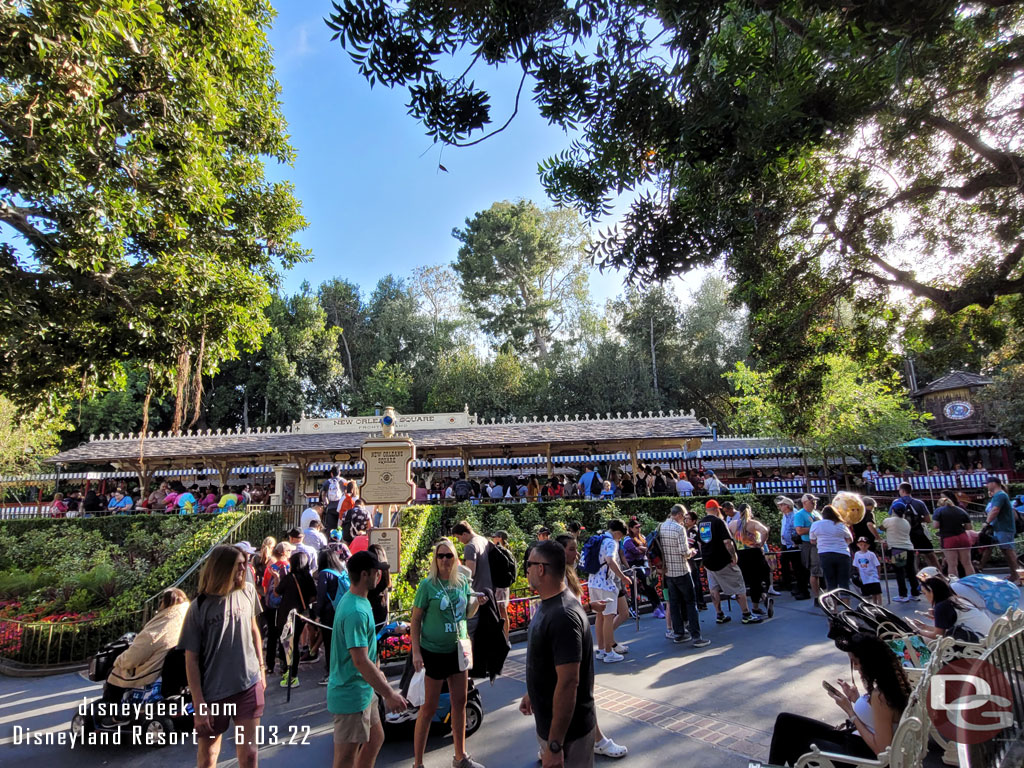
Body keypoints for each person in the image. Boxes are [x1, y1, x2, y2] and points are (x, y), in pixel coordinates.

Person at [768, 633, 911, 766]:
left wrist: (851, 712)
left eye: (855, 662)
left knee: (794, 742)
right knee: (785, 720)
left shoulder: (880, 696)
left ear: (869, 662)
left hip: (860, 754)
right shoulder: (890, 683)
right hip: (854, 739)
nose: (855, 668)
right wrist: (856, 699)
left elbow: (882, 751)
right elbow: (879, 719)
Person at [180, 545, 266, 768]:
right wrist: (199, 704)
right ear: (221, 569)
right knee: (208, 756)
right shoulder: (198, 608)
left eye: (244, 563)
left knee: (249, 755)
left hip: (248, 684)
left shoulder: (248, 591)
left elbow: (254, 630)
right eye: (238, 565)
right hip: (213, 693)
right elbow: (191, 659)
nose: (243, 568)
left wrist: (262, 668)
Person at [520, 539, 598, 768]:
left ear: (541, 568)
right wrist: (532, 692)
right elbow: (549, 663)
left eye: (529, 564)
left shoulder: (563, 615)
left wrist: (555, 745)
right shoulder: (552, 604)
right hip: (555, 729)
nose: (527, 570)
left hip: (568, 737)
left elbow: (568, 682)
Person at [328, 550, 407, 768]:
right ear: (365, 575)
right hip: (351, 694)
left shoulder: (359, 601)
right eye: (376, 572)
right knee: (344, 759)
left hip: (364, 690)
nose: (379, 576)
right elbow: (360, 660)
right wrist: (389, 693)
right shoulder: (355, 611)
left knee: (375, 739)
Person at [410, 538, 482, 768]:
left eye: (448, 556)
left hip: (457, 650)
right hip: (434, 652)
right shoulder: (427, 585)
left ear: (454, 558)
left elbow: (467, 612)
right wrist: (416, 653)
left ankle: (460, 756)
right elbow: (415, 619)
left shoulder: (461, 582)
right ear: (434, 559)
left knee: (459, 702)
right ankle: (418, 763)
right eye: (440, 556)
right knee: (428, 708)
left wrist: (478, 602)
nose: (444, 560)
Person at [553, 535, 627, 758]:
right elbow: (561, 608)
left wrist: (588, 605)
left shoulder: (567, 575)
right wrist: (588, 605)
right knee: (581, 695)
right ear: (560, 552)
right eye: (572, 550)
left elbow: (569, 605)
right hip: (567, 645)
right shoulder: (558, 577)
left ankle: (552, 743)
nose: (577, 554)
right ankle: (597, 741)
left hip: (572, 642)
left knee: (569, 696)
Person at [104, 588, 189, 706]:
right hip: (170, 670)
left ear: (164, 603)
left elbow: (134, 656)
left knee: (114, 673)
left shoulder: (160, 627)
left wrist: (118, 661)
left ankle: (111, 711)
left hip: (152, 673)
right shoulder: (186, 615)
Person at [698, 500, 762, 624]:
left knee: (714, 587)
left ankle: (719, 614)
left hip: (708, 561)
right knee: (739, 585)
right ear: (717, 509)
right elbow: (727, 542)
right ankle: (746, 614)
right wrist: (733, 556)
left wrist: (705, 556)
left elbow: (700, 543)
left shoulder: (702, 523)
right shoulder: (719, 522)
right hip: (722, 561)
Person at [660, 505, 709, 647]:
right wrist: (692, 552)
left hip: (668, 572)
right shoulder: (679, 529)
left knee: (674, 604)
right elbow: (684, 552)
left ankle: (679, 633)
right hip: (681, 570)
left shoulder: (662, 526)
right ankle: (696, 636)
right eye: (684, 516)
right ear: (680, 515)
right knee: (690, 603)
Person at [587, 519, 631, 662]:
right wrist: (623, 577)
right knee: (608, 616)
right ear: (618, 533)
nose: (620, 539)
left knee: (600, 616)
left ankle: (600, 650)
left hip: (593, 582)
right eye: (621, 537)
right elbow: (610, 560)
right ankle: (608, 652)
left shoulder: (599, 538)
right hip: (606, 584)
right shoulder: (611, 542)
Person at [275, 550, 317, 688]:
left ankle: (287, 672)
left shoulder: (289, 578)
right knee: (295, 644)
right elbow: (313, 596)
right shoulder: (308, 578)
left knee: (285, 643)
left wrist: (276, 578)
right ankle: (293, 674)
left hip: (285, 614)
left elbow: (277, 592)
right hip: (299, 615)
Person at [912, 576, 993, 642]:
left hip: (977, 643)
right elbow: (945, 631)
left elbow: (937, 636)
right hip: (987, 638)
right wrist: (925, 627)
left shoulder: (942, 606)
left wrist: (917, 631)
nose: (925, 596)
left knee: (914, 642)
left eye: (925, 593)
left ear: (932, 592)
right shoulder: (958, 599)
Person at [729, 503, 774, 616]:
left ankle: (745, 609)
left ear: (739, 512)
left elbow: (728, 537)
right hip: (754, 552)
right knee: (758, 579)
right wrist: (761, 543)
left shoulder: (733, 524)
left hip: (741, 554)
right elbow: (764, 531)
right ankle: (757, 603)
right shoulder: (753, 524)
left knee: (742, 581)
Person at [317, 549, 351, 686]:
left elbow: (321, 595)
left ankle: (331, 672)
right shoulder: (341, 571)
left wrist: (318, 614)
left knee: (329, 643)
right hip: (342, 609)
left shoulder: (324, 574)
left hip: (329, 612)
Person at [891, 482, 940, 570]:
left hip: (902, 535)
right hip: (918, 533)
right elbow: (928, 520)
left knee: (901, 560)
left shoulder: (896, 502)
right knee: (930, 555)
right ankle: (938, 573)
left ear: (902, 491)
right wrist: (918, 519)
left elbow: (892, 519)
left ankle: (907, 575)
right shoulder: (919, 503)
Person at [622, 518, 663, 618]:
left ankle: (657, 606)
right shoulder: (628, 540)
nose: (638, 529)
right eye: (636, 528)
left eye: (639, 527)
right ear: (631, 528)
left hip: (642, 563)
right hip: (633, 565)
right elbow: (636, 551)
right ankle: (634, 608)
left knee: (649, 584)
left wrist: (642, 549)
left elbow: (648, 549)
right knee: (637, 585)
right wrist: (643, 549)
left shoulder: (642, 537)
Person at [985, 476, 1020, 584]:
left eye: (987, 483)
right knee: (1006, 551)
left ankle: (1019, 576)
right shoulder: (998, 495)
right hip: (1001, 527)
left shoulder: (1000, 495)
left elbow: (995, 510)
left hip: (1004, 527)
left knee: (1009, 552)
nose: (986, 486)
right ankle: (1014, 575)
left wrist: (987, 523)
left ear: (993, 483)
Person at [880, 505, 919, 602]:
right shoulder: (906, 522)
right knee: (911, 572)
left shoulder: (889, 521)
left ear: (893, 510)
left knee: (899, 572)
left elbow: (881, 528)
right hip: (909, 548)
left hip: (897, 548)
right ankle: (915, 593)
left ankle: (903, 595)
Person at [810, 505, 853, 591]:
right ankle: (846, 602)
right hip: (842, 553)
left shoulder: (816, 525)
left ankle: (833, 603)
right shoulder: (841, 525)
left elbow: (812, 540)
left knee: (830, 582)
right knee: (844, 582)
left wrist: (821, 542)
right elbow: (850, 539)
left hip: (825, 553)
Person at [932, 492, 975, 577]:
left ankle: (954, 585)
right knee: (967, 563)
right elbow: (969, 527)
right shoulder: (960, 510)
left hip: (948, 538)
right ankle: (973, 582)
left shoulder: (939, 511)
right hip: (963, 537)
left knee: (952, 564)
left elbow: (935, 525)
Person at [776, 496, 809, 599]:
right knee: (785, 564)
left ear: (787, 506)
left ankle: (803, 590)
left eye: (781, 505)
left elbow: (796, 530)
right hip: (786, 544)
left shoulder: (795, 515)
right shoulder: (785, 515)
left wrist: (795, 541)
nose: (779, 506)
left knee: (798, 568)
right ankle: (792, 585)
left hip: (793, 544)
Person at [793, 494, 822, 599]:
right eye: (812, 502)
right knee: (814, 569)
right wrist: (814, 527)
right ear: (805, 503)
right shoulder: (800, 515)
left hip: (820, 543)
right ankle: (816, 596)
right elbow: (799, 530)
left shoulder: (816, 513)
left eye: (815, 501)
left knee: (819, 569)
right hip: (809, 544)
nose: (815, 503)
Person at [851, 538, 882, 604]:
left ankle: (880, 605)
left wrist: (878, 574)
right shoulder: (857, 554)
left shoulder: (871, 554)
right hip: (864, 576)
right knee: (867, 592)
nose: (863, 546)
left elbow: (877, 564)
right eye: (861, 545)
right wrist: (860, 575)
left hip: (873, 575)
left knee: (877, 591)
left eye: (865, 545)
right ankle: (873, 604)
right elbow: (857, 566)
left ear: (868, 546)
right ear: (858, 545)